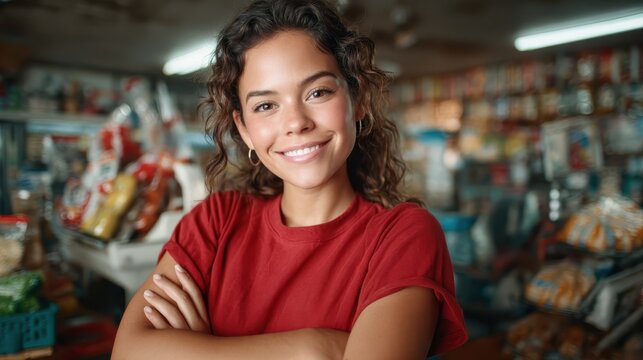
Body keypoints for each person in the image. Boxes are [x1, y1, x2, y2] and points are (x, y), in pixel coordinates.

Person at [112, 0, 467, 358]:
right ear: (244, 129)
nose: (296, 122)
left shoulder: (403, 236)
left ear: (356, 100)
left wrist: (203, 349)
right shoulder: (215, 223)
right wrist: (311, 348)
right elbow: (128, 351)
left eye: (318, 92)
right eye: (266, 105)